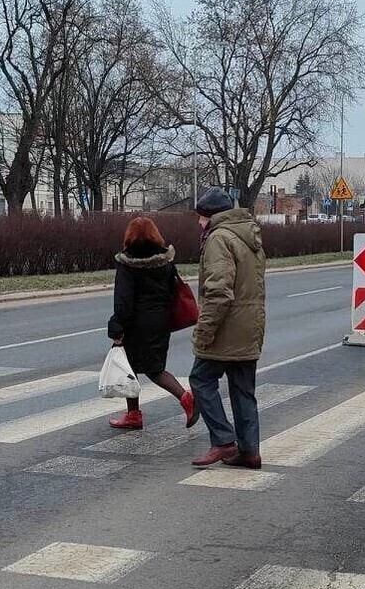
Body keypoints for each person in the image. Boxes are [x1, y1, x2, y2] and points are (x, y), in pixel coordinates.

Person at [189, 188, 267, 470]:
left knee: (200, 379)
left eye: (200, 218)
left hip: (227, 328)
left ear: (212, 216)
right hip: (251, 326)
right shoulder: (250, 235)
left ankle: (222, 439)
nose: (198, 223)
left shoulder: (219, 239)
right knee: (243, 389)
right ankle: (249, 451)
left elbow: (219, 292)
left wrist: (204, 331)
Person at [107, 217, 197, 430]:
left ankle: (186, 398)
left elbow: (123, 301)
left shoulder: (127, 263)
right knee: (147, 366)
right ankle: (133, 414)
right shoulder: (165, 261)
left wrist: (117, 326)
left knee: (146, 369)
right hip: (161, 320)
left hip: (136, 324)